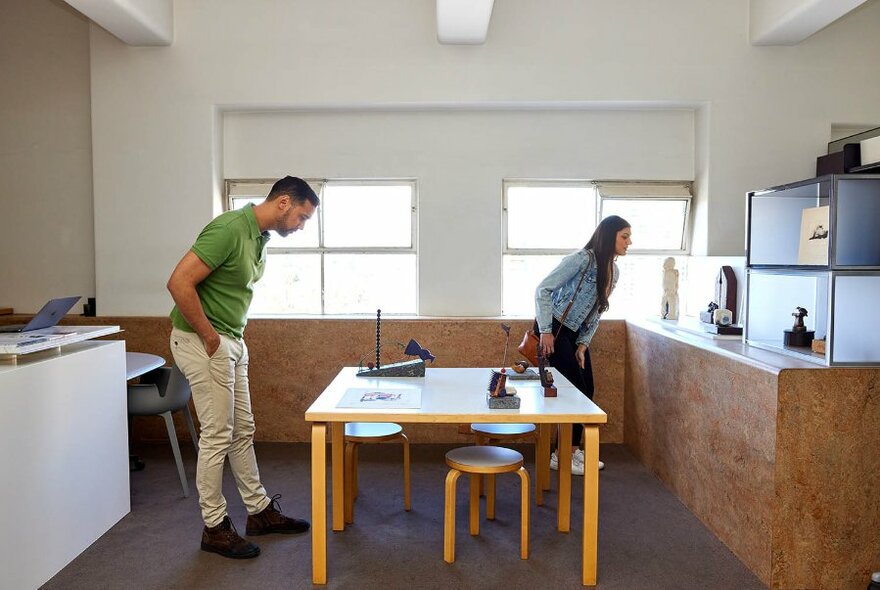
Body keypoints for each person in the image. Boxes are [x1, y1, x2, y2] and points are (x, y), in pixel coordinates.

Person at [167, 176, 319, 559]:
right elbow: (178, 282)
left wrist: (228, 340)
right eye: (301, 217)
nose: (301, 227)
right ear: (283, 202)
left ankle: (259, 511)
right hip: (204, 341)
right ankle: (214, 526)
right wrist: (209, 336)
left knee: (243, 429)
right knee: (218, 434)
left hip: (231, 341)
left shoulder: (259, 238)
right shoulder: (230, 229)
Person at [534, 215, 632, 475]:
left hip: (573, 336)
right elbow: (543, 290)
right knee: (574, 391)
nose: (629, 242)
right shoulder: (581, 259)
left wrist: (583, 345)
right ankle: (565, 455)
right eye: (624, 236)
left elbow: (596, 311)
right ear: (609, 236)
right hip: (553, 329)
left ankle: (568, 451)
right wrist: (545, 331)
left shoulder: (613, 270)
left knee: (587, 389)